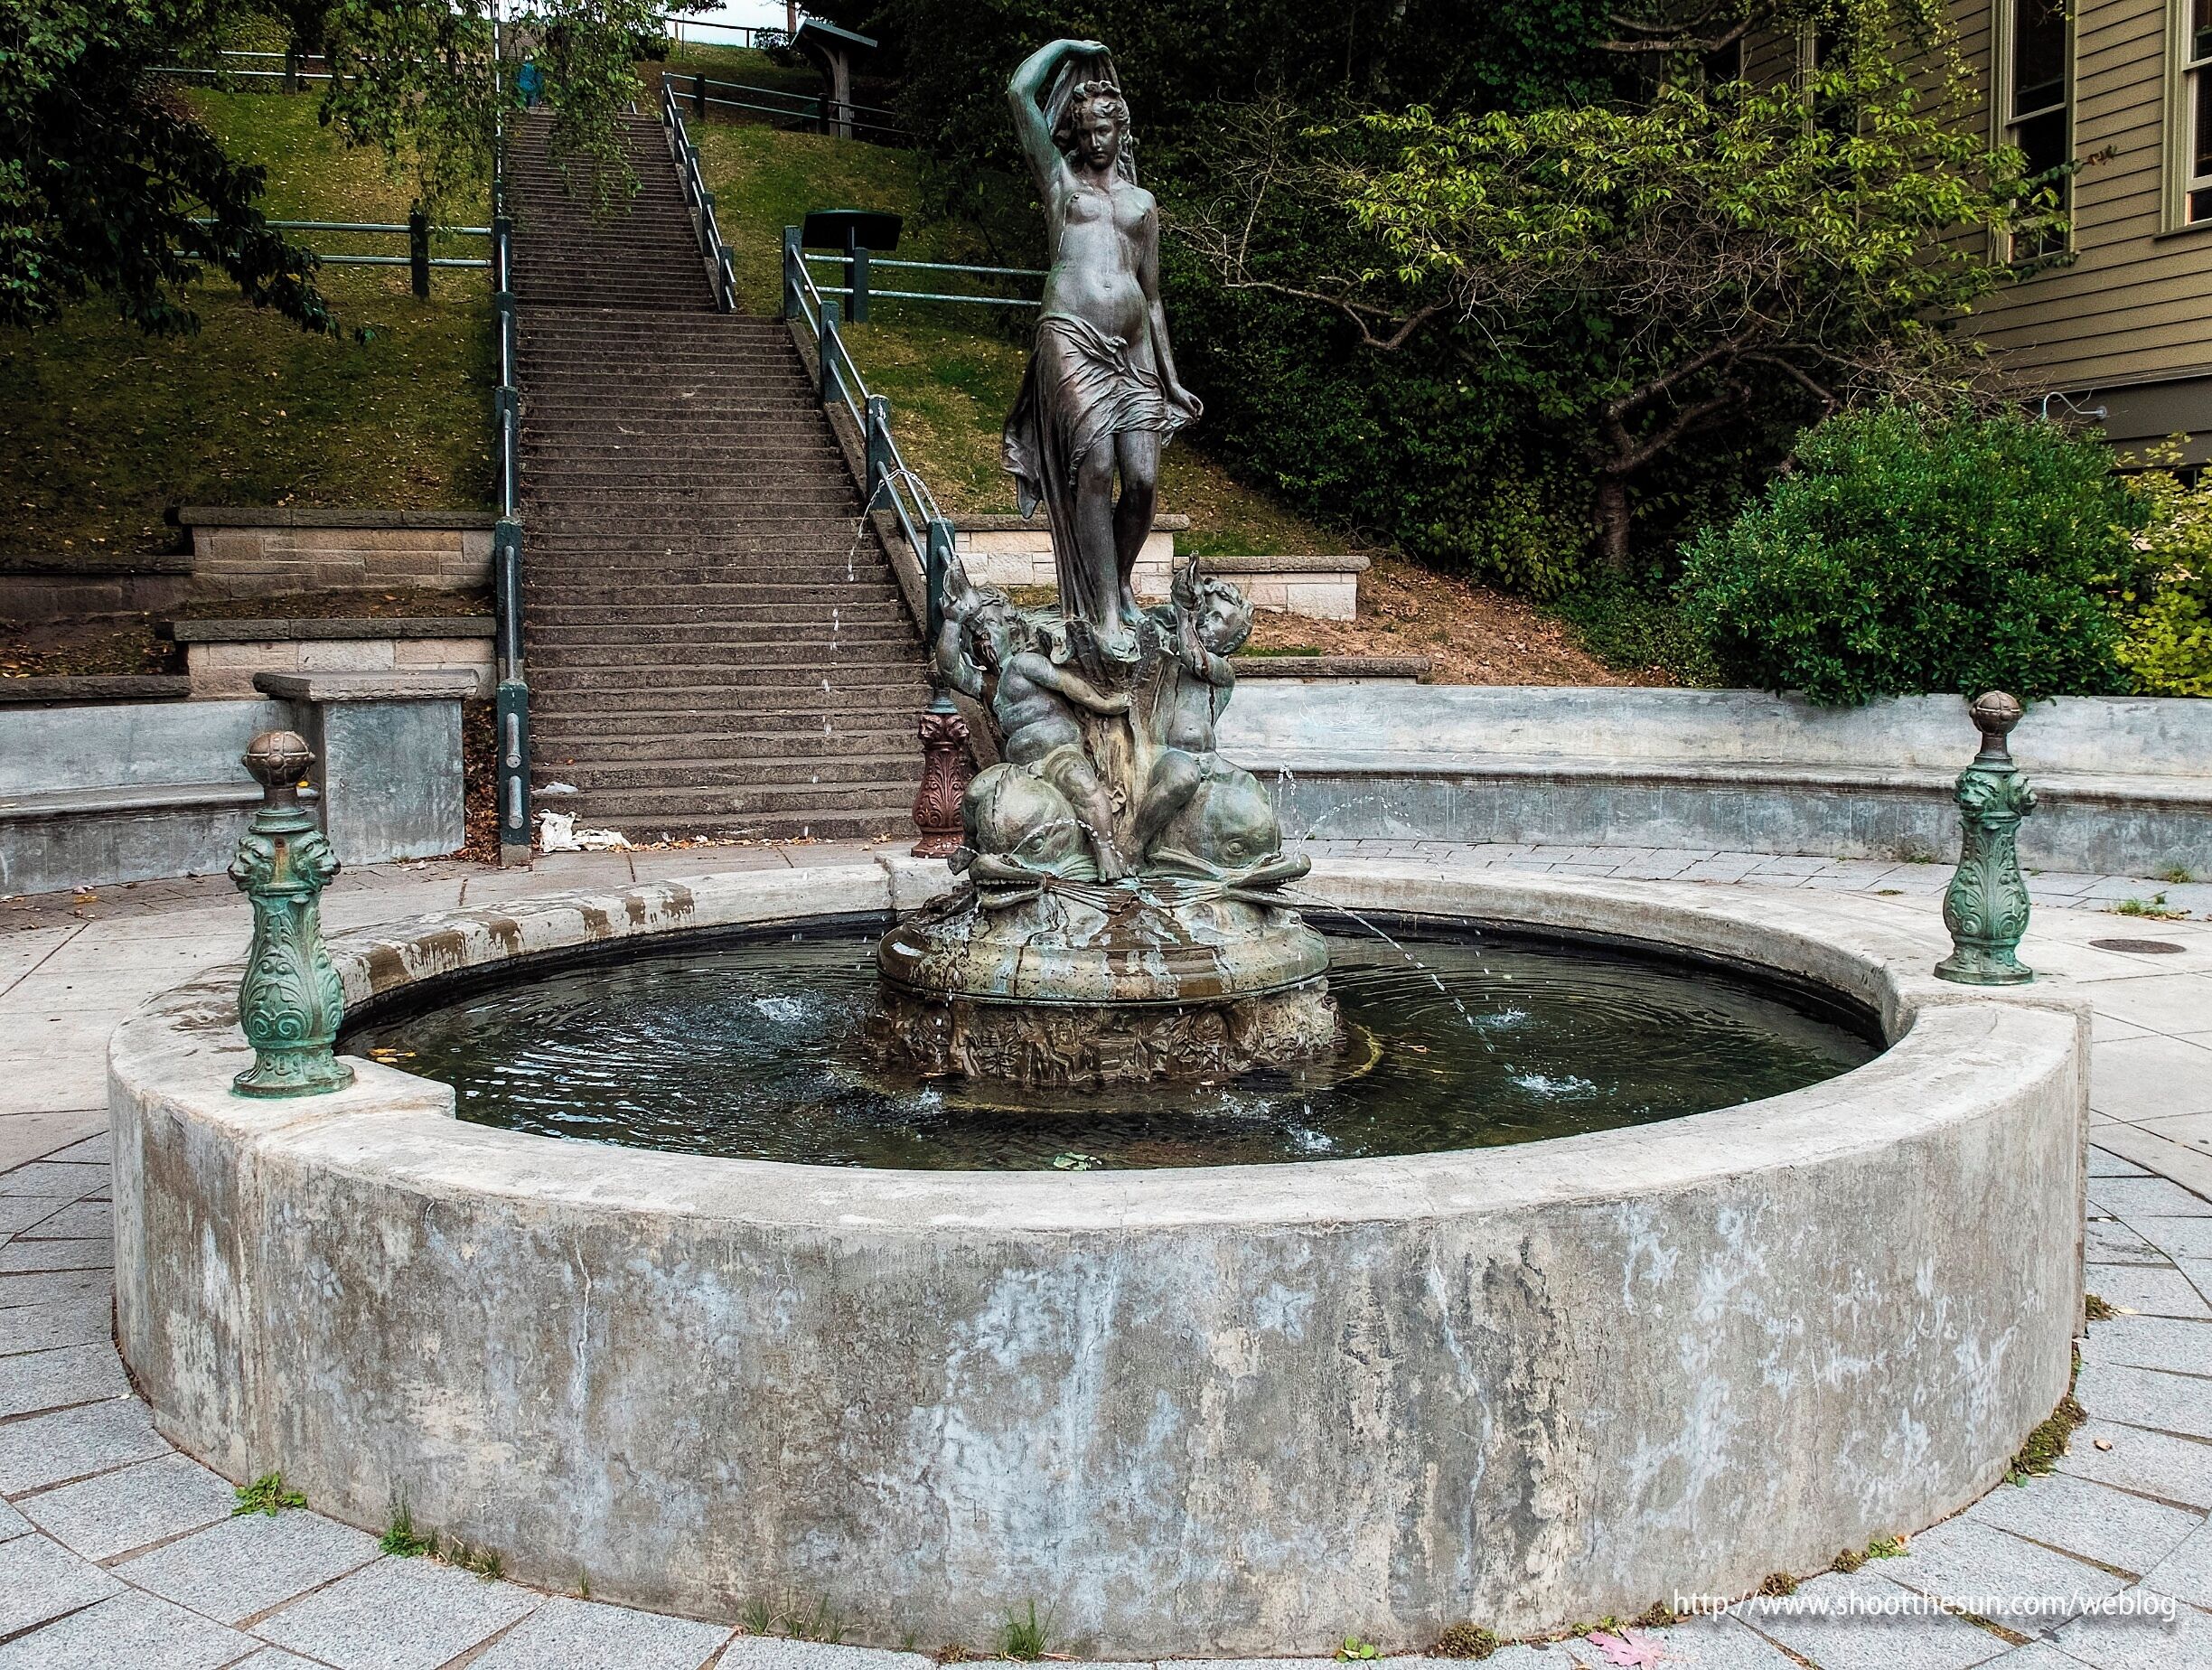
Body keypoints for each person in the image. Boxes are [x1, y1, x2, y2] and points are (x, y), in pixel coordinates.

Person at [1002, 39, 1202, 662]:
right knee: (1094, 470)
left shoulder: (1143, 205)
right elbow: (1017, 92)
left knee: (1141, 483)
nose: (1094, 141)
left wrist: (1170, 379)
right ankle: (1107, 612)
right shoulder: (1060, 183)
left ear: (1121, 132)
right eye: (1084, 131)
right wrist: (1066, 49)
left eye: (1104, 131)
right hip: (1070, 336)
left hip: (1136, 350)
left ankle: (1109, 585)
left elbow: (1154, 295)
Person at [969, 607, 1132, 881]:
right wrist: (950, 622)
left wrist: (1104, 704)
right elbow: (950, 668)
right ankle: (969, 847)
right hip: (1020, 769)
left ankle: (1105, 850)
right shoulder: (988, 684)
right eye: (975, 636)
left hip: (1058, 754)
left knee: (1083, 784)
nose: (983, 640)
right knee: (975, 793)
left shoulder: (1023, 663)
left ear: (1012, 631)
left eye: (990, 629)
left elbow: (1069, 685)